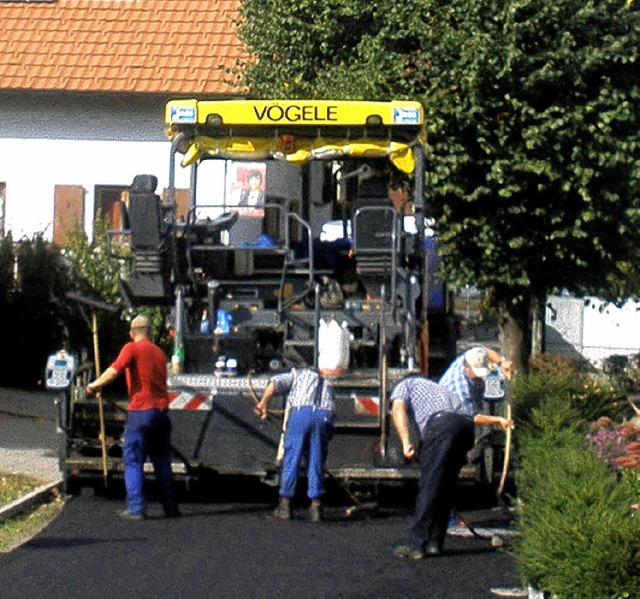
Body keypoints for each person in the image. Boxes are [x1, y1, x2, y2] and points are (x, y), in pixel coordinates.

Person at [390, 374, 513, 559]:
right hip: (464, 428)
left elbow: (398, 409)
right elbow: (473, 417)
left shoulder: (405, 385)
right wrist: (497, 420)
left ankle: (416, 544)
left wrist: (406, 442)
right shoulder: (442, 390)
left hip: (441, 427)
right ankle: (434, 543)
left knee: (430, 485)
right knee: (446, 485)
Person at [86, 315, 179, 520]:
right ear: (150, 333)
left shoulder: (131, 348)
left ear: (132, 333)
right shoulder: (160, 353)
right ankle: (170, 507)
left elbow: (114, 371)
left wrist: (95, 385)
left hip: (140, 412)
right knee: (162, 461)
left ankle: (136, 508)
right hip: (162, 412)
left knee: (134, 460)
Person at [254, 367, 335, 523]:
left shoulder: (297, 374)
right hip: (325, 415)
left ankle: (285, 504)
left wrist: (263, 403)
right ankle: (316, 507)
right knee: (316, 460)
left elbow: (275, 383)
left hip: (301, 414)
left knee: (292, 457)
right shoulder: (328, 380)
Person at [439, 346, 514, 412]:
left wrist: (501, 363)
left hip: (473, 394)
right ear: (467, 368)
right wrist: (497, 421)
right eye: (476, 373)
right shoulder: (460, 391)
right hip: (451, 415)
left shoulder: (471, 356)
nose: (479, 376)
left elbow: (488, 352)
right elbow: (471, 419)